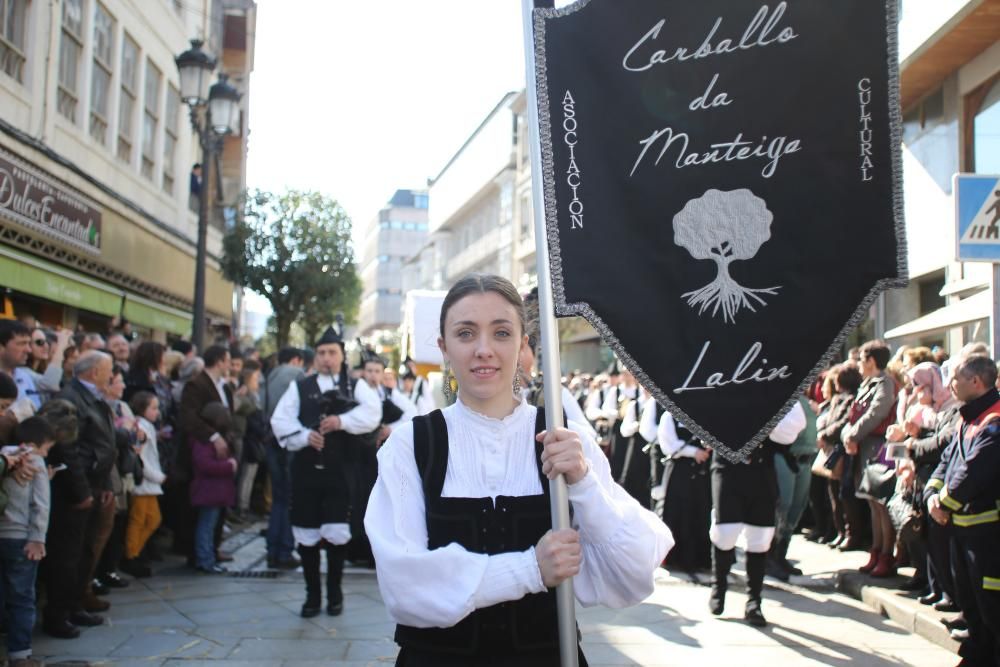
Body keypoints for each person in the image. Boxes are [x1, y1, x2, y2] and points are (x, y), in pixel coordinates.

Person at [365, 274, 672, 665]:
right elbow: (404, 585)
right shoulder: (410, 445)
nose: (483, 349)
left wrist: (584, 484)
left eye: (502, 333)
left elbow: (632, 576)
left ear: (524, 345)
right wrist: (529, 570)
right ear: (444, 348)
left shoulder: (564, 438)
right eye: (465, 333)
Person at [271, 327, 381, 617]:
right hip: (306, 473)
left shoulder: (354, 386)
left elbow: (373, 413)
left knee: (336, 532)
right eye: (321, 353)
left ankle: (335, 593)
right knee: (306, 533)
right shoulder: (301, 386)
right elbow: (280, 421)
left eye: (332, 353)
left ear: (342, 356)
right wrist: (304, 436)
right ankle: (312, 596)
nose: (326, 358)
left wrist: (341, 421)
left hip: (340, 473)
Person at [925, 354, 1000, 666]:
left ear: (976, 381)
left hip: (988, 535)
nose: (949, 385)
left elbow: (974, 470)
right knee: (968, 599)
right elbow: (948, 461)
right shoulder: (966, 417)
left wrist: (944, 503)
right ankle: (977, 653)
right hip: (961, 529)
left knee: (991, 603)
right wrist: (931, 492)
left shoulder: (993, 421)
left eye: (954, 378)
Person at [708, 401, 806, 627]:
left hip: (762, 468)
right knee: (725, 531)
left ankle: (754, 601)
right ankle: (718, 586)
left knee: (760, 537)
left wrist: (765, 419)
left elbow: (793, 427)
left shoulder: (773, 380)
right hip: (727, 466)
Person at [46, 351, 117, 635]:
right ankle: (58, 613)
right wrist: (82, 491)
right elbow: (67, 448)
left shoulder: (94, 398)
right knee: (67, 555)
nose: (111, 376)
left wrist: (106, 485)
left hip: (95, 484)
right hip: (76, 491)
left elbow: (105, 443)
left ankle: (75, 605)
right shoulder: (71, 398)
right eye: (107, 370)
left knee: (86, 551)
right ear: (92, 372)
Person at [0, 417, 54, 667]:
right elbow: (40, 505)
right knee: (22, 598)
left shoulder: (5, 456)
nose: (46, 453)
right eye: (47, 448)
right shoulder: (36, 462)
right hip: (22, 537)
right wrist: (38, 538)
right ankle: (20, 655)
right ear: (33, 444)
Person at [843, 341, 898, 578]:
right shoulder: (867, 383)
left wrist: (852, 434)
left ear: (872, 361)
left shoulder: (885, 382)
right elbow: (853, 414)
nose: (858, 365)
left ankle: (886, 554)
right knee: (871, 503)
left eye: (862, 360)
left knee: (881, 502)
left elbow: (877, 412)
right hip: (864, 446)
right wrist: (848, 435)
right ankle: (876, 551)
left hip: (879, 447)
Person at [261, 347, 305, 570]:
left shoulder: (270, 375)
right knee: (288, 498)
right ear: (297, 360)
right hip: (288, 443)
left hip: (270, 441)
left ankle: (272, 550)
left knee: (278, 498)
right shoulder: (297, 376)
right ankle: (285, 549)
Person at [121, 391, 166, 578]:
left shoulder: (147, 426)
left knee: (151, 519)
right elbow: (140, 457)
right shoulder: (141, 428)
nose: (157, 412)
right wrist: (156, 476)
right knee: (139, 520)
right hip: (144, 481)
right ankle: (131, 554)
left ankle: (135, 551)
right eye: (153, 408)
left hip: (150, 481)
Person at [190, 402, 237, 574]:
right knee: (206, 526)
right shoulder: (204, 441)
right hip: (208, 490)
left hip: (214, 490)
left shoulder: (215, 440)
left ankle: (208, 558)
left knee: (210, 525)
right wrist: (228, 466)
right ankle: (205, 560)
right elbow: (204, 464)